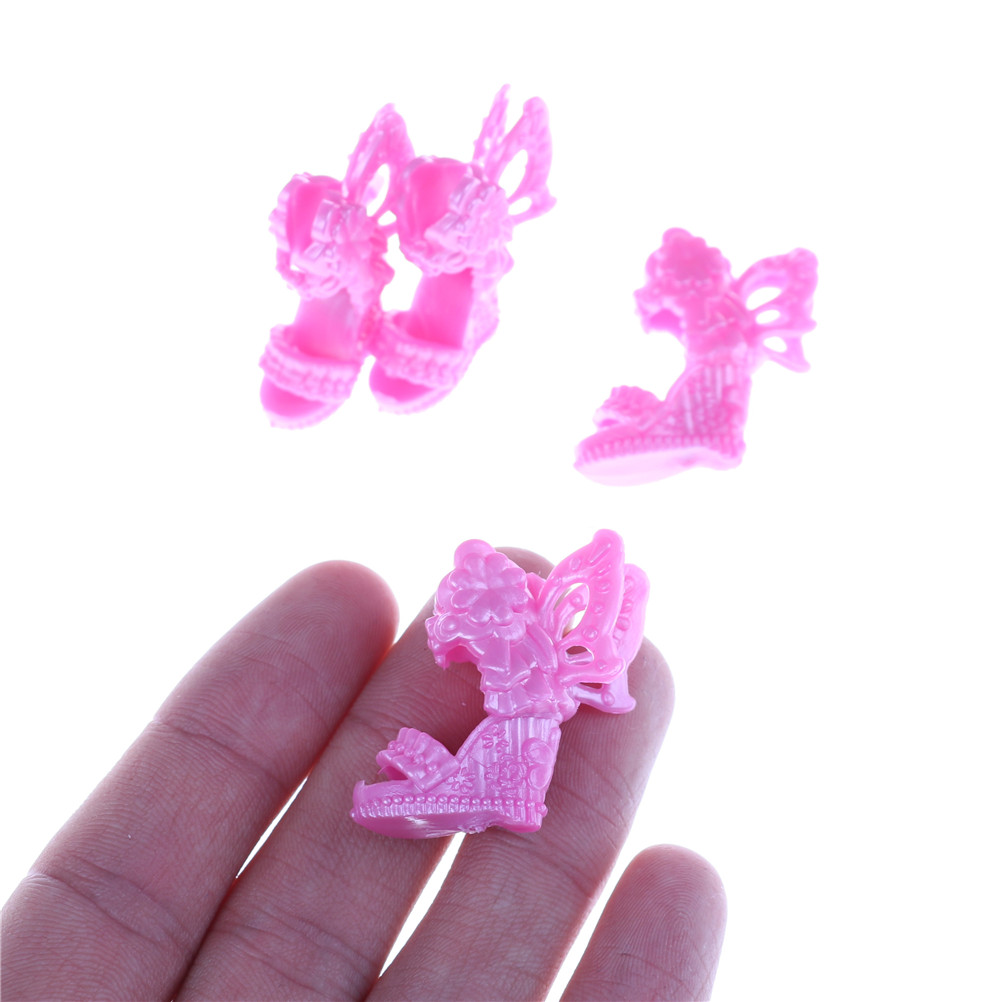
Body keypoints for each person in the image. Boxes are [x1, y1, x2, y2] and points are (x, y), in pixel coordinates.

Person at [1, 553, 726, 1001]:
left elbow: (531, 646)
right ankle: (461, 784)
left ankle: (479, 788)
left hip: (513, 753)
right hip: (502, 746)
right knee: (398, 787)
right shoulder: (507, 639)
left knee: (464, 760)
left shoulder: (524, 645)